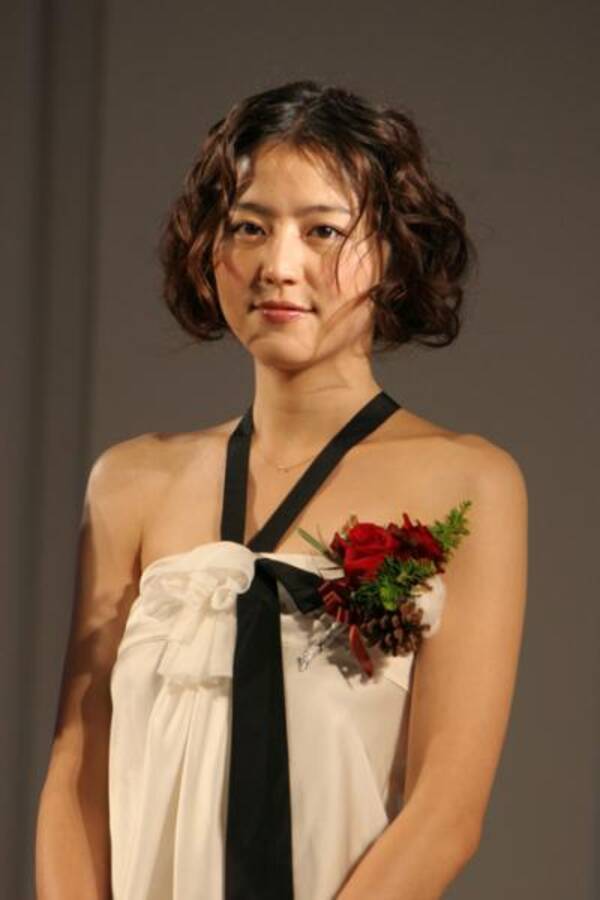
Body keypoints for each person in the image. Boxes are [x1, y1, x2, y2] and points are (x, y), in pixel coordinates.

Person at [35, 80, 528, 900]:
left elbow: (446, 809)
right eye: (249, 227)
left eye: (323, 230)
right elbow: (77, 765)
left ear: (393, 252)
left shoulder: (470, 482)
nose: (278, 266)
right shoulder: (130, 482)